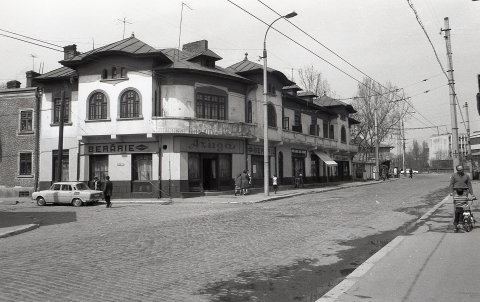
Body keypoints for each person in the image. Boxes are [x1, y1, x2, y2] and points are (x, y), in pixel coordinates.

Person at [450, 165, 475, 231]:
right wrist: (451, 192)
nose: (460, 171)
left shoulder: (466, 176)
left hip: (464, 191)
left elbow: (469, 184)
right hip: (456, 192)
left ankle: (465, 222)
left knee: (464, 206)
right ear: (457, 170)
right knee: (457, 208)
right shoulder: (454, 175)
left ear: (463, 169)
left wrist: (472, 194)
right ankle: (456, 224)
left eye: (461, 169)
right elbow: (451, 184)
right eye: (459, 170)